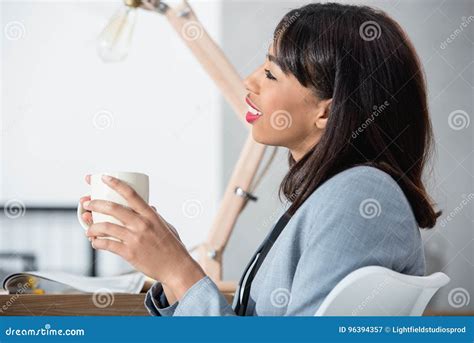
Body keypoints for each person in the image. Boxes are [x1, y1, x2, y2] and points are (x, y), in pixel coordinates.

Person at [79, 2, 441, 316]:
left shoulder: (360, 195)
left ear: (327, 113)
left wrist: (177, 271)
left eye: (270, 73)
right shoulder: (336, 194)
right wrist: (165, 257)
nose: (250, 82)